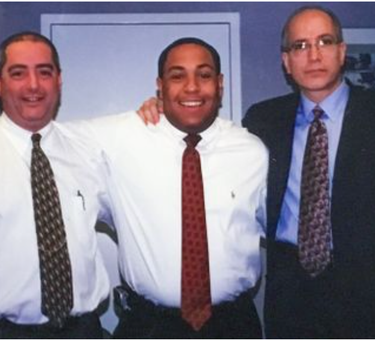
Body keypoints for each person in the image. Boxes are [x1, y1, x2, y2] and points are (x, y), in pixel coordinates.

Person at [67, 37, 268, 338]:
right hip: (149, 326)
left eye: (204, 74)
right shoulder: (119, 138)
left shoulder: (252, 152)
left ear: (220, 83)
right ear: (160, 85)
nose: (191, 87)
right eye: (177, 76)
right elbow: (41, 131)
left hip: (233, 325)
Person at [242, 6, 375, 339]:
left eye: (325, 41)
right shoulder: (262, 119)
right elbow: (211, 147)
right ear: (286, 62)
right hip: (290, 289)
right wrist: (162, 114)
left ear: (342, 51)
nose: (314, 55)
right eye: (300, 46)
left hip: (367, 287)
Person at [0, 32, 113, 338]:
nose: (33, 85)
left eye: (44, 72)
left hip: (83, 330)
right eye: (18, 73)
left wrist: (157, 107)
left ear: (59, 80)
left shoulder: (90, 150)